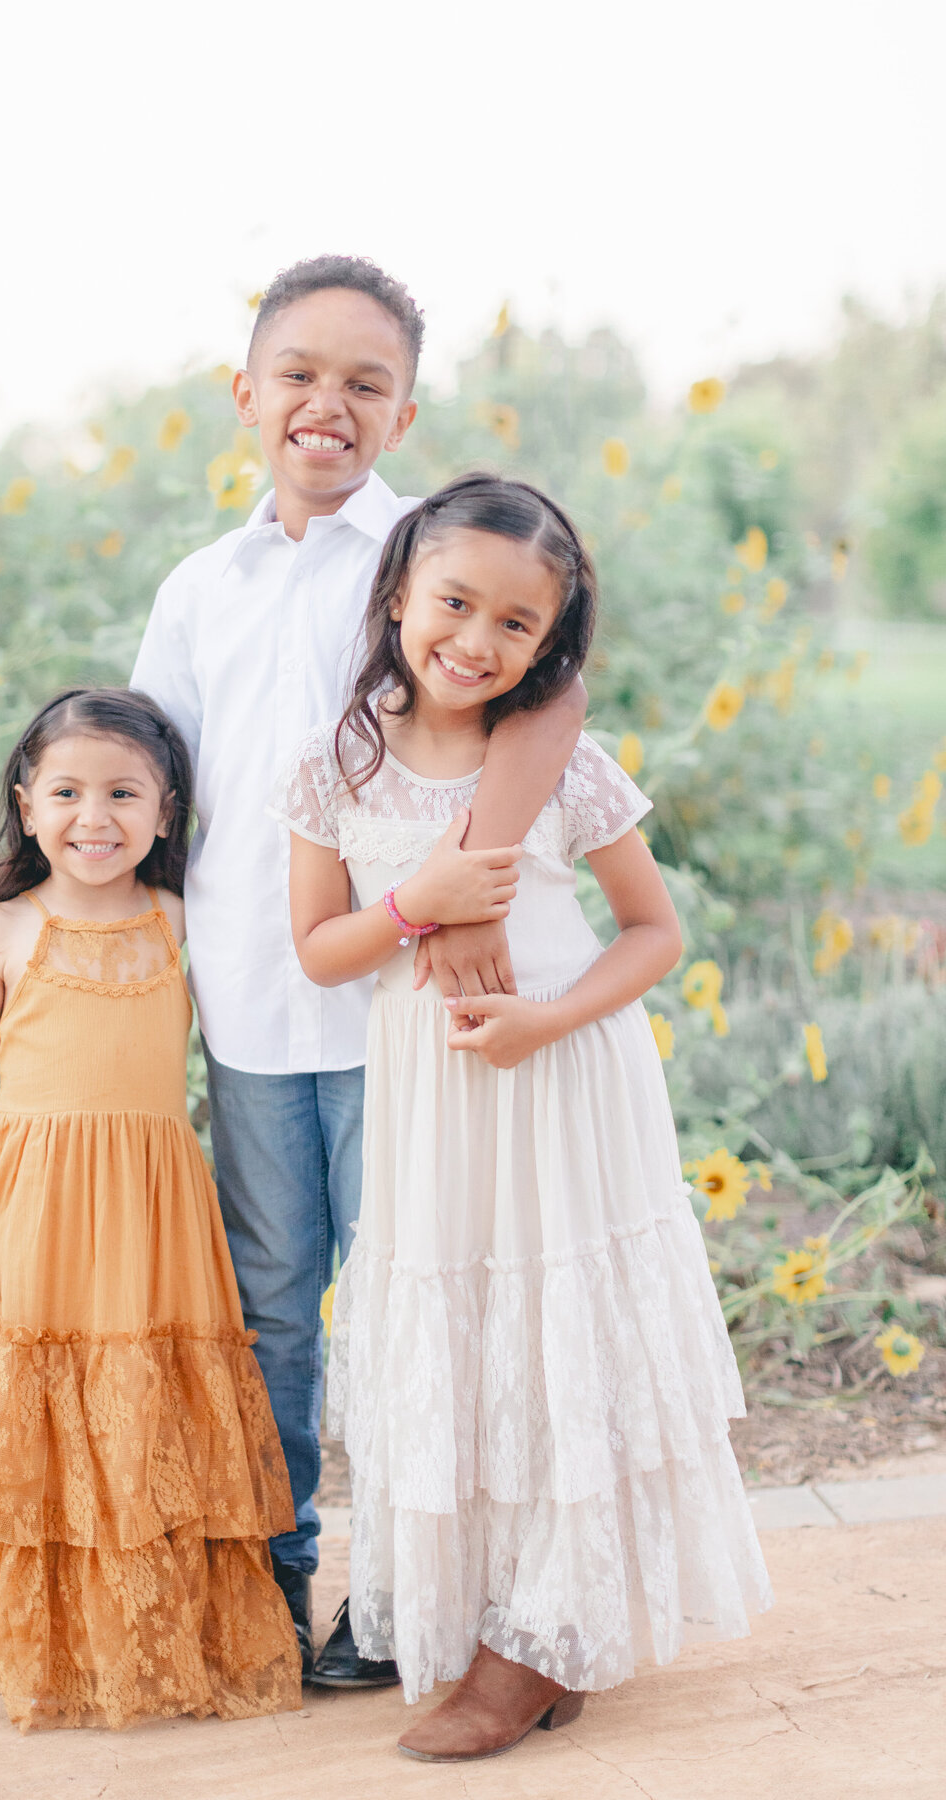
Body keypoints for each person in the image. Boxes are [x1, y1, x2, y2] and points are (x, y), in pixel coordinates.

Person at [0, 255, 587, 1686]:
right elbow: (135, 775)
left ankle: (427, 1596)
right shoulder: (200, 587)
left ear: (404, 413)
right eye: (300, 374)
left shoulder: (426, 560)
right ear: (247, 395)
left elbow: (556, 697)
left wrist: (467, 872)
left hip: (401, 1011)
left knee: (420, 1294)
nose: (328, 405)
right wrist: (7, 876)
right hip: (243, 1004)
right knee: (273, 1304)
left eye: (365, 383)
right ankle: (282, 1580)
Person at [272, 473, 772, 1761]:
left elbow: (654, 934)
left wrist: (549, 1021)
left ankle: (545, 1637)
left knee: (567, 1346)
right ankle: (504, 1609)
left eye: (516, 624)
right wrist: (420, 901)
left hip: (560, 1082)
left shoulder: (564, 768)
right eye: (453, 602)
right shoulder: (337, 769)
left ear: (552, 642)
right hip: (432, 1100)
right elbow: (320, 951)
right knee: (472, 1335)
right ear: (397, 597)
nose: (476, 641)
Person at [0, 687, 301, 1731]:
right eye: (69, 792)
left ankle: (151, 1638)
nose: (97, 816)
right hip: (33, 1203)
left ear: (167, 812)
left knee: (147, 1414)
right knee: (43, 1412)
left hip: (155, 1207)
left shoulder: (182, 921)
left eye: (125, 792)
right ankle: (52, 1647)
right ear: (27, 805)